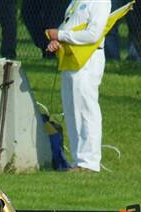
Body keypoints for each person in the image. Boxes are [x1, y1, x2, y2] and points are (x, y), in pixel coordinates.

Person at [46, 0, 111, 173]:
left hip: (88, 58)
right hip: (71, 57)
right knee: (72, 109)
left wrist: (60, 36)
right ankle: (78, 160)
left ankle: (89, 162)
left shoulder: (100, 2)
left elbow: (93, 34)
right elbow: (69, 25)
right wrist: (57, 41)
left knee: (86, 108)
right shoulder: (76, 1)